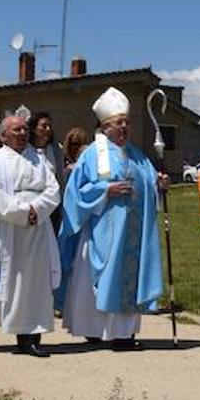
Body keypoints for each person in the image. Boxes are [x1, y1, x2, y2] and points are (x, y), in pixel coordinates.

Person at [57, 88, 166, 350]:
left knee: (126, 279)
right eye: (119, 123)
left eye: (127, 122)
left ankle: (122, 335)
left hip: (132, 234)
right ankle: (94, 330)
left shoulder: (138, 155)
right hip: (102, 233)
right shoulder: (94, 154)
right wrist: (106, 190)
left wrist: (159, 184)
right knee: (97, 281)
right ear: (105, 127)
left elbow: (149, 184)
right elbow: (74, 193)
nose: (124, 127)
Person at [0, 114, 62, 356]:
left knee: (32, 284)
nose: (22, 133)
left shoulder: (39, 160)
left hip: (35, 231)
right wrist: (22, 213)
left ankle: (29, 336)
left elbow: (53, 189)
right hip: (3, 230)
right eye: (16, 130)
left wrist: (37, 210)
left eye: (24, 129)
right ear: (3, 135)